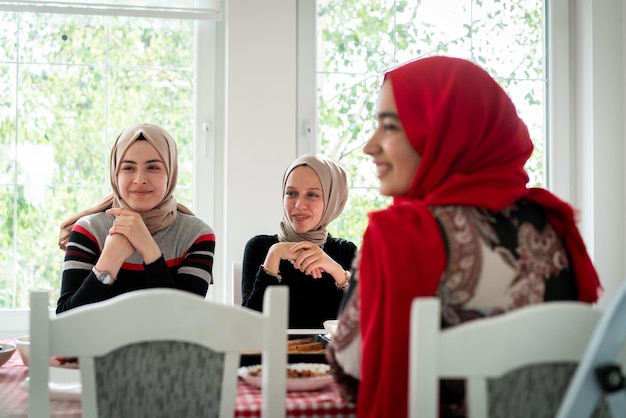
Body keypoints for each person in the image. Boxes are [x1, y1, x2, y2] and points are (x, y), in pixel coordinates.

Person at [326, 56, 602, 417]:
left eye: (390, 126)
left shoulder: (400, 236)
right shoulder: (554, 224)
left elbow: (351, 372)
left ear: (445, 130)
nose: (369, 145)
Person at [56, 122, 215, 313]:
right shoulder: (90, 230)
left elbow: (183, 322)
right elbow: (68, 323)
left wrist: (148, 248)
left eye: (153, 168)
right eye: (128, 168)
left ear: (170, 173)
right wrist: (110, 259)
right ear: (115, 173)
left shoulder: (196, 235)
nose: (140, 179)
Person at [241, 153, 357, 329]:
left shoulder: (345, 252)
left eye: (312, 195)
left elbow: (362, 325)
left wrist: (336, 271)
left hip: (326, 357)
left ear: (332, 200)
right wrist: (274, 255)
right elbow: (248, 327)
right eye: (291, 193)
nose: (298, 205)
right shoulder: (260, 248)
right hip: (272, 356)